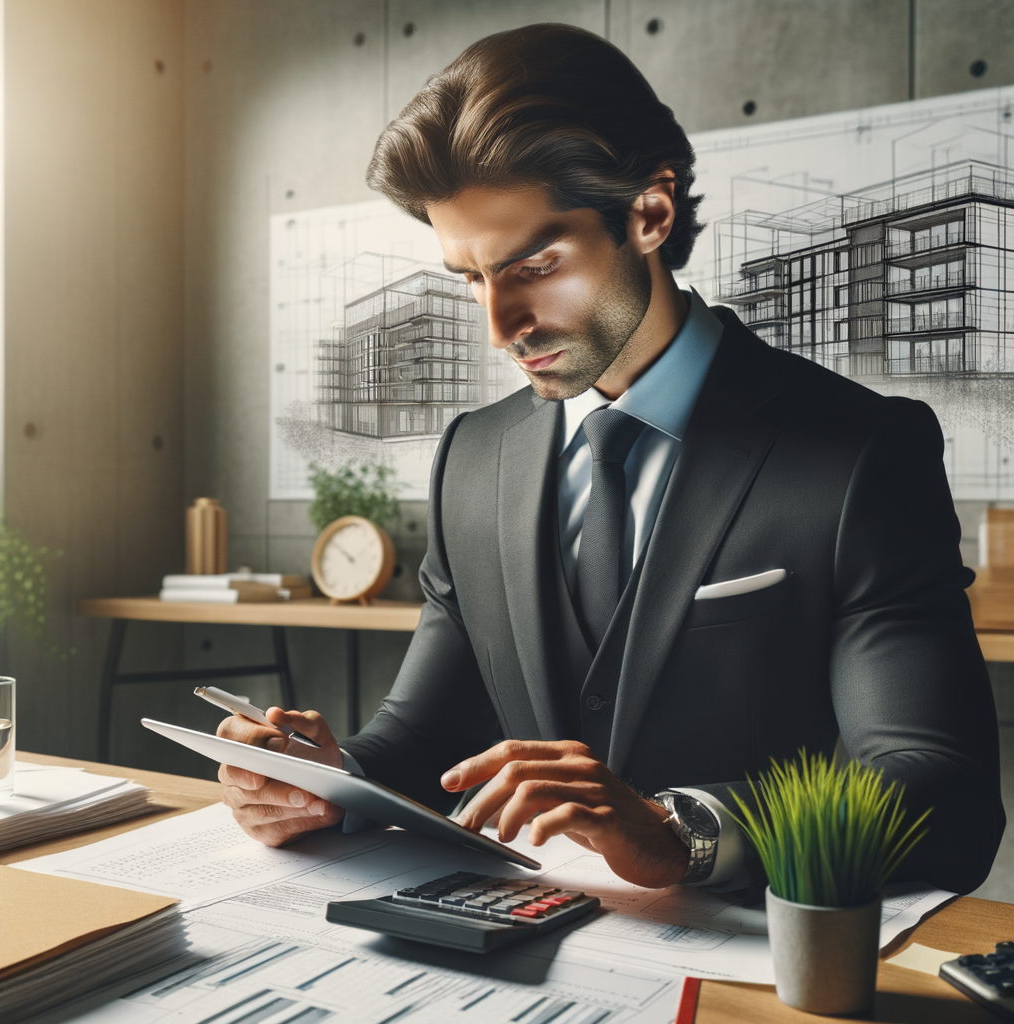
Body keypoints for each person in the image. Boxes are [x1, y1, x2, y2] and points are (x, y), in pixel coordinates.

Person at [218, 23, 1004, 894]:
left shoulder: (859, 451)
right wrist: (327, 783)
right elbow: (423, 737)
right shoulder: (473, 458)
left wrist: (685, 832)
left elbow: (946, 796)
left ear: (649, 213)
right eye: (471, 279)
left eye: (535, 264)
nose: (499, 327)